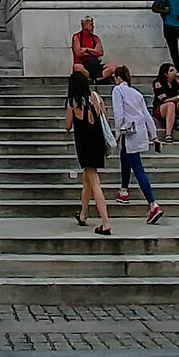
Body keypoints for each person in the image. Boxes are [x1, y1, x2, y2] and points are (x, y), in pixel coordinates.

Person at [108, 65, 164, 223]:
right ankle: (123, 190)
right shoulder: (137, 94)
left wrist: (117, 135)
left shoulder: (118, 91)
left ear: (118, 78)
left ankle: (153, 204)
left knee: (137, 167)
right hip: (139, 131)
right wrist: (154, 136)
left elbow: (118, 115)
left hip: (128, 132)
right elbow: (147, 116)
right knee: (125, 158)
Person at [64, 70, 113, 234]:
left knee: (94, 180)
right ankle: (83, 214)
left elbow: (67, 125)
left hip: (84, 144)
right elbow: (105, 116)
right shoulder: (95, 97)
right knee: (87, 178)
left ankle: (105, 222)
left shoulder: (72, 102)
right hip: (98, 142)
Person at [151, 61, 179, 141]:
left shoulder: (174, 83)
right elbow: (164, 100)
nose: (174, 72)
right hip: (161, 108)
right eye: (171, 71)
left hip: (175, 106)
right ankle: (168, 134)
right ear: (165, 74)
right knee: (170, 104)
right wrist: (178, 97)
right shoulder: (158, 83)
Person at [71, 16, 105, 81]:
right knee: (77, 67)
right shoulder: (77, 37)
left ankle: (97, 79)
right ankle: (90, 78)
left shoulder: (96, 38)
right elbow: (78, 53)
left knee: (112, 67)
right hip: (83, 65)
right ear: (84, 26)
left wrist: (87, 50)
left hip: (95, 65)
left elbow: (100, 52)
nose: (93, 26)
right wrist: (94, 52)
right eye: (91, 24)